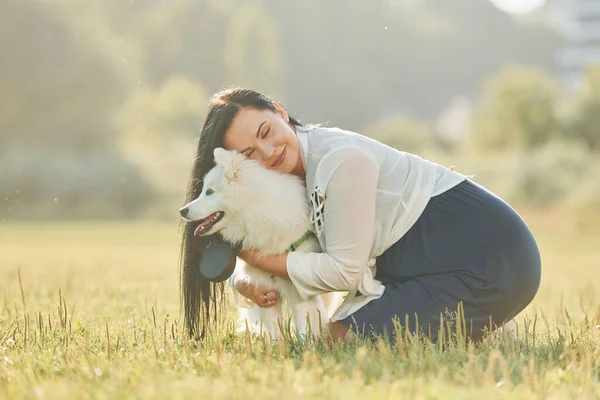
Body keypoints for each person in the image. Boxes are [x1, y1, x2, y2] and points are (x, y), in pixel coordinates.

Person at [179, 87, 541, 342]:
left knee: (341, 337)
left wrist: (253, 256)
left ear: (279, 110)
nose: (268, 151)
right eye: (250, 152)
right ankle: (470, 331)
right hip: (425, 266)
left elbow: (342, 270)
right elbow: (274, 252)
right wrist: (244, 280)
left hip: (493, 257)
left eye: (267, 132)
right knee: (343, 330)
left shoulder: (338, 159)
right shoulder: (284, 184)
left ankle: (476, 324)